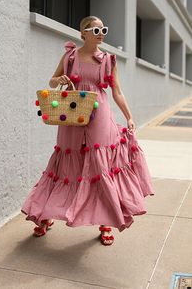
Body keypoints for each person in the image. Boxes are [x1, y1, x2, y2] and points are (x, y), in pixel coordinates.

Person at [21, 15, 154, 246]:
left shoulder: (109, 60)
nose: (101, 33)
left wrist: (129, 117)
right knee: (66, 165)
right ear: (83, 33)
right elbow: (52, 82)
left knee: (101, 165)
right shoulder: (70, 56)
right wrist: (58, 79)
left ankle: (105, 220)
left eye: (104, 29)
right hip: (72, 115)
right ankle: (46, 215)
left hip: (100, 116)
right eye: (95, 30)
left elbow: (117, 92)